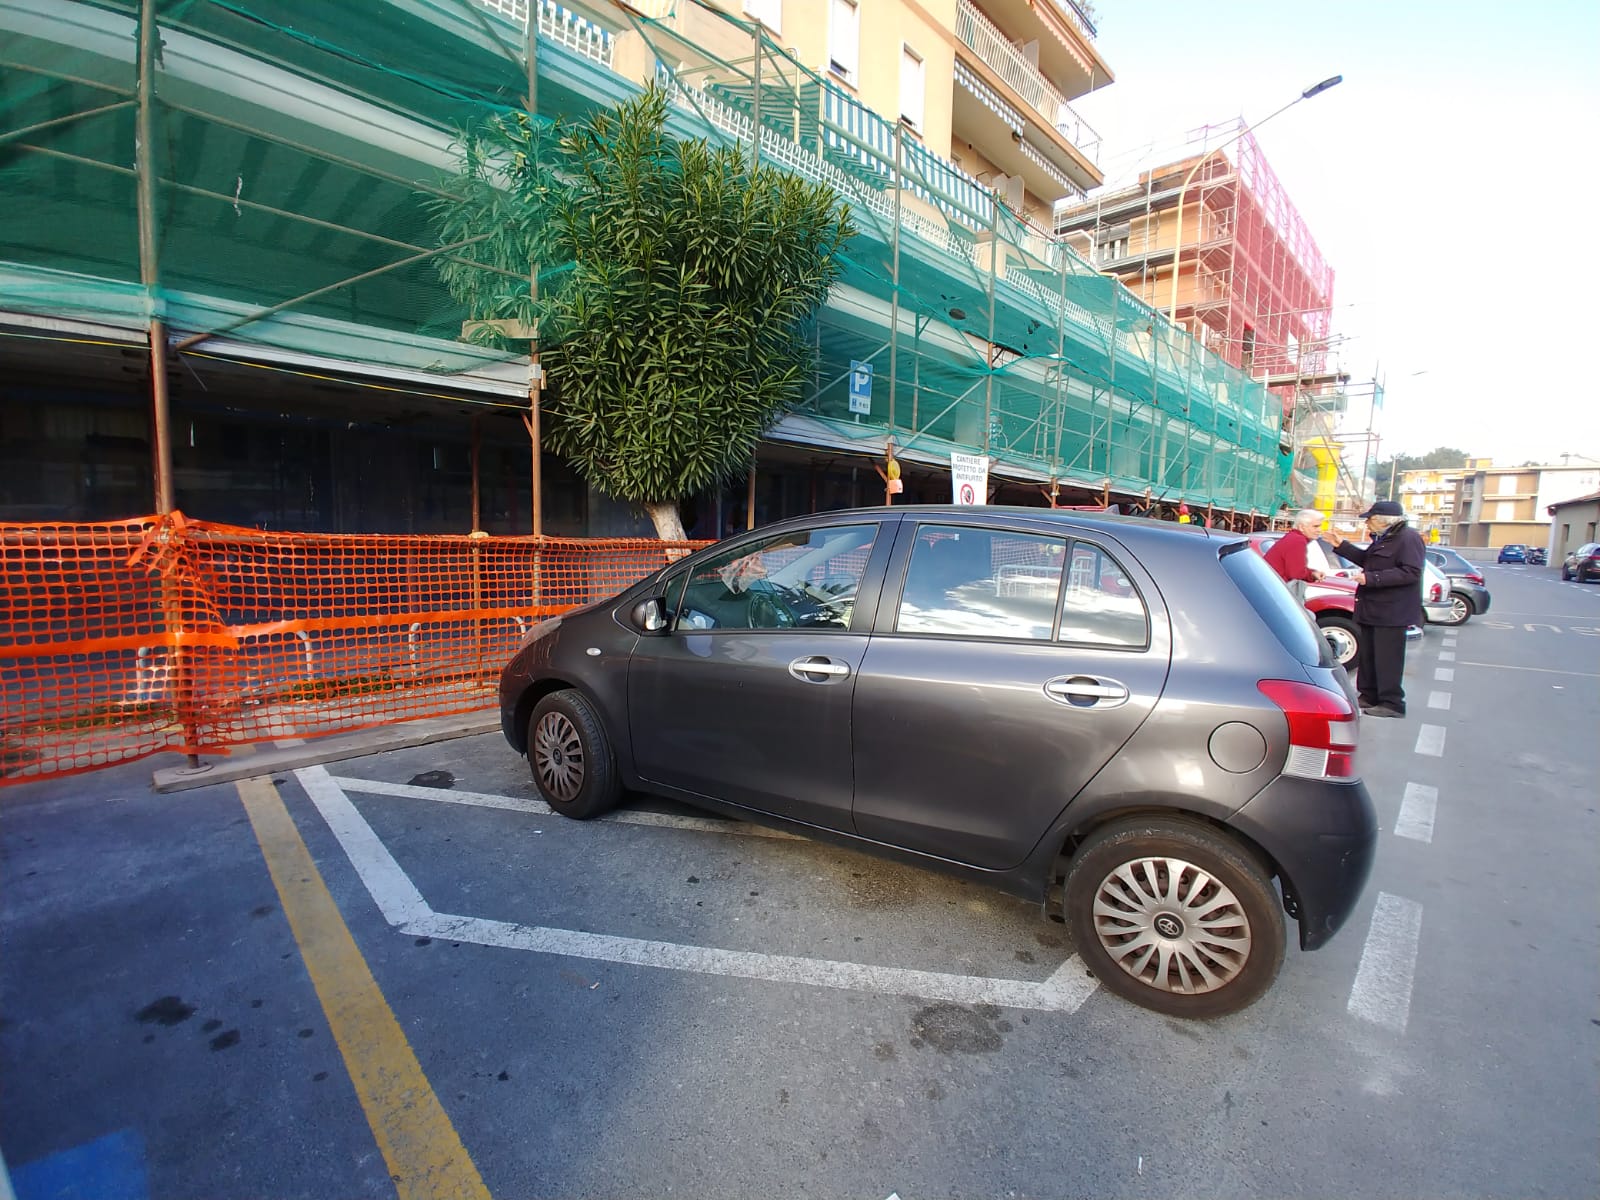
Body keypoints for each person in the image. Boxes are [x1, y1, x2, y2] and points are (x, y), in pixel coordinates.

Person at [1335, 500, 1425, 718]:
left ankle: (1392, 702)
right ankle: (1369, 695)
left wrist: (1371, 579)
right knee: (1370, 656)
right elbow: (1369, 561)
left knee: (1387, 659)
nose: (1367, 524)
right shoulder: (1386, 539)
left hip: (1392, 611)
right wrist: (1342, 545)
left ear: (1385, 520)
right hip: (1373, 609)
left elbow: (1412, 572)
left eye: (1370, 519)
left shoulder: (1408, 538)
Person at [1263, 509, 1327, 602]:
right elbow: (1296, 574)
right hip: (1276, 592)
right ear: (1301, 527)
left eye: (1320, 526)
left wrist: (1312, 573)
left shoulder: (1293, 538)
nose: (1319, 530)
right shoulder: (1297, 540)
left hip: (1271, 589)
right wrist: (1312, 574)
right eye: (1315, 526)